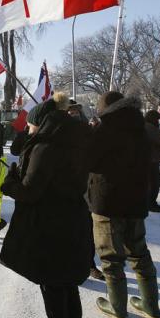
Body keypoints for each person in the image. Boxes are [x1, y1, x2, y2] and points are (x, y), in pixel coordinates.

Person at [0, 92, 91, 318]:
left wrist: (9, 184)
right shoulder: (75, 139)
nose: (27, 129)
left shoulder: (46, 146)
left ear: (41, 122)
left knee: (54, 291)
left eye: (30, 124)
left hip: (52, 228)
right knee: (67, 288)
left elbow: (31, 192)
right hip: (72, 221)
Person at [87, 91, 160, 318]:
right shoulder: (140, 128)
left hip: (108, 202)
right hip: (136, 199)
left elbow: (89, 161)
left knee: (110, 257)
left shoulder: (105, 129)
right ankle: (151, 305)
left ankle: (118, 308)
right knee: (139, 253)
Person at [67, 100, 105, 281]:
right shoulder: (59, 133)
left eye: (76, 111)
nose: (73, 114)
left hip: (86, 187)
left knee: (87, 230)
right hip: (66, 188)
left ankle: (89, 265)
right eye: (70, 111)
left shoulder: (87, 131)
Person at [144, 110, 160, 213]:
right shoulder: (150, 128)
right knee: (155, 182)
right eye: (157, 119)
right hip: (151, 159)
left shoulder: (146, 126)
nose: (158, 121)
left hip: (148, 158)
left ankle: (149, 203)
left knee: (152, 182)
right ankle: (151, 204)